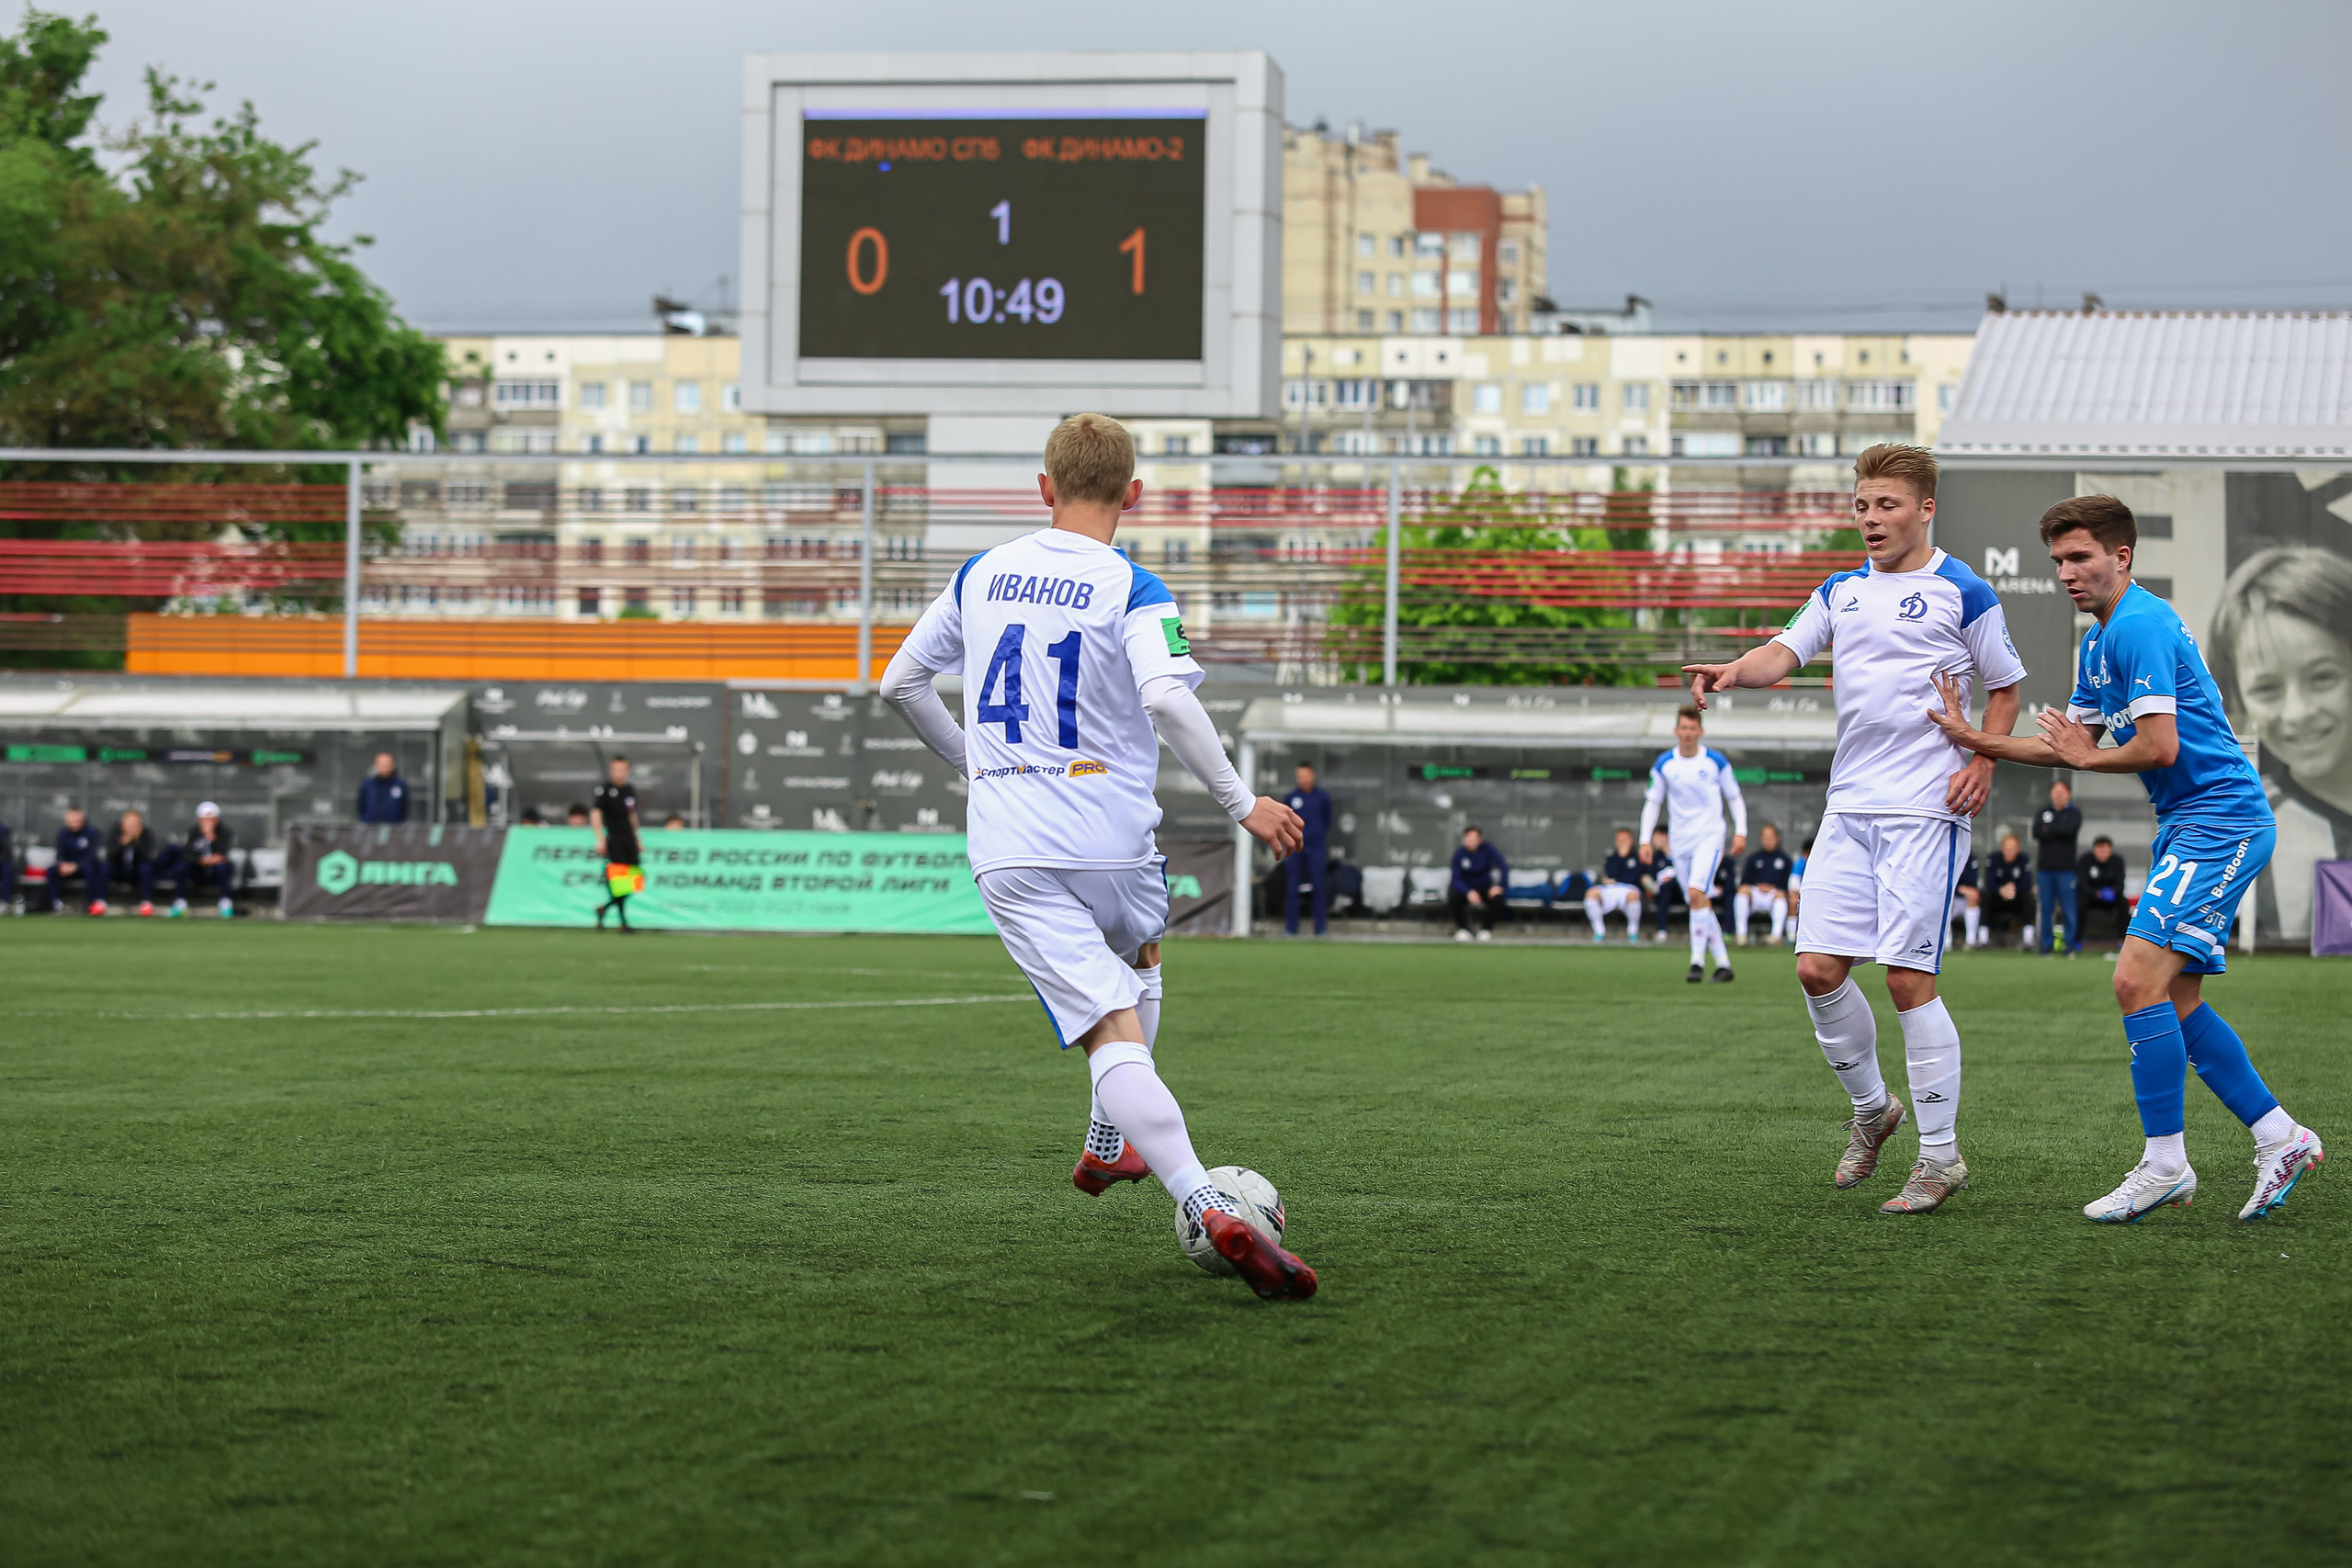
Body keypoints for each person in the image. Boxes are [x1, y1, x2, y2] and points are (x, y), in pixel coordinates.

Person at [879, 411, 1317, 1299]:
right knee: (1142, 957)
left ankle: (1194, 1194)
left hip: (1013, 845)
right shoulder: (1135, 585)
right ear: (1134, 495)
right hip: (1113, 836)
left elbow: (900, 683)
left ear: (1043, 489)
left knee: (1107, 1028)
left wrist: (979, 762)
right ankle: (1131, 1156)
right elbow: (1168, 698)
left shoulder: (980, 571)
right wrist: (1244, 801)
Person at [1930, 493, 2323, 1224]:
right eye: (2057, 561)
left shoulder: (2138, 624)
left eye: (2079, 557)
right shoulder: (2096, 641)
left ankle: (2166, 1162)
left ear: (2122, 556)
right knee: (2174, 999)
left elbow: (2158, 747)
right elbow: (2062, 743)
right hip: (2191, 823)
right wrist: (1976, 738)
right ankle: (2281, 1136)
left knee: (2131, 980)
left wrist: (2089, 755)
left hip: (2222, 820)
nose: (2066, 573)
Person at [1684, 443, 2025, 1215]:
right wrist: (1734, 671)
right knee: (1816, 970)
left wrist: (1985, 764)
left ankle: (1939, 1159)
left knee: (1908, 980)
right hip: (1850, 806)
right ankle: (1874, 1111)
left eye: (1888, 505)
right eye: (1863, 505)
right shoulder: (1840, 589)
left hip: (1925, 811)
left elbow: (2004, 687)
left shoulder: (1961, 589)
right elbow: (1785, 650)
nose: (1871, 518)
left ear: (1926, 508)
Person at [2207, 546, 2352, 942]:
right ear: (2237, 697)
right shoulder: (2248, 827)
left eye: (2323, 678)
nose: (2297, 712)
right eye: (2267, 689)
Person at [1637, 707, 1747, 982]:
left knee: (1697, 891)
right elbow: (1653, 803)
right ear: (1676, 731)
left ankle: (1696, 962)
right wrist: (1645, 839)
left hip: (1709, 837)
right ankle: (1723, 963)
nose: (1688, 733)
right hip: (1680, 841)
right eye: (1683, 728)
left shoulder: (1715, 761)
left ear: (1700, 731)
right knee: (1697, 900)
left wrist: (1741, 831)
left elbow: (1734, 797)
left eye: (1692, 728)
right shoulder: (1664, 763)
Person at [590, 757, 642, 932]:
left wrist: (637, 838)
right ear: (611, 771)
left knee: (634, 882)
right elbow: (596, 814)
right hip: (615, 840)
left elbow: (631, 815)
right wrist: (600, 839)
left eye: (622, 770)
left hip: (628, 840)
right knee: (619, 883)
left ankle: (604, 908)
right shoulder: (604, 790)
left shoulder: (629, 790)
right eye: (616, 770)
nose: (619, 774)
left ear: (628, 771)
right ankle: (623, 922)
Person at [1282, 761, 1334, 936]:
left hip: (1316, 847)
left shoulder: (1322, 797)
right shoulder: (1291, 797)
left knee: (1319, 886)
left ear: (1312, 775)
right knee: (1292, 887)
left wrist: (1316, 835)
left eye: (1306, 775)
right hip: (1296, 848)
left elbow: (1327, 820)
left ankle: (1320, 927)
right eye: (1300, 776)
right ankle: (1291, 927)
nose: (1303, 779)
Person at [2032, 779, 2084, 955]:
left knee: (2069, 909)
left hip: (2066, 871)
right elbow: (2037, 832)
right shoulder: (2043, 811)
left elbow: (2069, 831)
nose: (2059, 795)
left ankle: (2069, 946)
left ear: (2068, 794)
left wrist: (2050, 829)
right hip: (2045, 870)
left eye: (2062, 791)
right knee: (2046, 909)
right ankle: (2046, 946)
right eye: (2056, 791)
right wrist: (2054, 829)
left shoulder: (2074, 813)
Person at [1733, 823, 1794, 946]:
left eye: (1771, 837)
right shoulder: (1753, 858)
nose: (1768, 840)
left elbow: (1787, 884)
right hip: (1756, 894)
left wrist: (1774, 888)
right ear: (1761, 839)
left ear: (1777, 838)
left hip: (1774, 895)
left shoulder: (1785, 859)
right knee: (1742, 892)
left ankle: (1775, 936)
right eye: (1765, 837)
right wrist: (1759, 886)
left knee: (1781, 897)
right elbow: (1745, 881)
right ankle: (1741, 934)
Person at [1583, 826, 1645, 943]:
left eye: (1624, 839)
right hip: (1611, 888)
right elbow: (1611, 873)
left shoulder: (1638, 857)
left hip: (1629, 889)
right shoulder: (1611, 857)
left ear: (1631, 841)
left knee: (1633, 896)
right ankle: (1599, 931)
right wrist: (1621, 858)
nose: (1622, 843)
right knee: (1591, 894)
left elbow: (1635, 876)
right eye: (1619, 840)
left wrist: (1618, 876)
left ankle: (1633, 932)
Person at [175, 802, 236, 918]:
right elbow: (188, 853)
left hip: (215, 871)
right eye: (204, 819)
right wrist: (201, 860)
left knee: (224, 867)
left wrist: (211, 836)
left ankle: (225, 903)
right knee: (181, 867)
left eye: (211, 819)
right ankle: (180, 903)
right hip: (197, 870)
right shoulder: (193, 832)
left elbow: (223, 853)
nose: (208, 822)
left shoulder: (225, 832)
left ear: (217, 820)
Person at [1448, 825, 1507, 942]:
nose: (1469, 842)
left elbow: (1503, 866)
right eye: (1467, 839)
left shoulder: (1487, 849)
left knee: (1498, 897)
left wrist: (1500, 886)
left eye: (1472, 840)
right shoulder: (1459, 854)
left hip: (1484, 888)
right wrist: (1468, 892)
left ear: (1479, 840)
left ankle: (1485, 930)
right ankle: (1462, 929)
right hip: (1466, 889)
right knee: (1453, 894)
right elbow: (1456, 879)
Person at [1983, 832, 2035, 948]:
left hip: (2017, 901)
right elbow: (1989, 882)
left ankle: (2028, 938)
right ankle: (1983, 938)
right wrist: (2001, 890)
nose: (2010, 851)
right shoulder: (1993, 859)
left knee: (2027, 898)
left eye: (2013, 848)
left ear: (2018, 848)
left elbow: (2027, 883)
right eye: (2007, 848)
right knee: (1986, 897)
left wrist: (2013, 889)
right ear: (2002, 848)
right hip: (1998, 900)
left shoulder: (2023, 859)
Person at [104, 809, 159, 916]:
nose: (132, 827)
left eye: (135, 824)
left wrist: (137, 842)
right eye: (129, 824)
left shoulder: (146, 834)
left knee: (146, 868)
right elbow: (110, 855)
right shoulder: (115, 833)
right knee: (105, 868)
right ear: (122, 824)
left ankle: (146, 904)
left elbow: (149, 857)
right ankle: (100, 902)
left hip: (136, 873)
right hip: (119, 872)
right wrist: (123, 842)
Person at [49, 807, 101, 914]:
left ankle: (90, 904)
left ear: (82, 820)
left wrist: (76, 866)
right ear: (67, 821)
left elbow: (92, 856)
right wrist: (63, 864)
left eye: (77, 821)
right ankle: (55, 903)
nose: (75, 823)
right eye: (72, 821)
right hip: (67, 869)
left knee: (92, 871)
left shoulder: (92, 833)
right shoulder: (62, 834)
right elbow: (59, 854)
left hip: (83, 868)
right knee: (51, 871)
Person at [2077, 836, 2129, 943]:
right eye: (2099, 850)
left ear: (2110, 850)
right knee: (2079, 902)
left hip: (2111, 897)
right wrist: (2097, 893)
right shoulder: (2085, 860)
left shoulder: (2117, 861)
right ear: (2094, 850)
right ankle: (2077, 939)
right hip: (2092, 897)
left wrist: (2113, 892)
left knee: (2123, 903)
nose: (2102, 854)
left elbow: (2120, 884)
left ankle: (2123, 940)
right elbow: (2082, 884)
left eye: (2105, 850)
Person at [1642, 828, 1683, 942]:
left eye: (1655, 837)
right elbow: (1650, 878)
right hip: (1664, 894)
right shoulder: (1656, 858)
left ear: (1664, 836)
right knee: (1664, 891)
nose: (1653, 841)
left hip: (1683, 892)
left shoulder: (1681, 854)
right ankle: (1662, 931)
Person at [356, 751, 410, 824]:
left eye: (387, 764)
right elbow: (361, 806)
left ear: (392, 765)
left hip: (393, 829)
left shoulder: (400, 785)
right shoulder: (367, 785)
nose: (384, 768)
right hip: (371, 827)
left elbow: (404, 808)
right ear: (376, 766)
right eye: (382, 765)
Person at [1950, 851, 1984, 949]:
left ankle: (1971, 940)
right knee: (1946, 901)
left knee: (1972, 896)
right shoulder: (1945, 855)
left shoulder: (1971, 858)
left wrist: (1964, 889)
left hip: (1965, 899)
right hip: (1953, 898)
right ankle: (1946, 940)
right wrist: (1959, 888)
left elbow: (1972, 880)